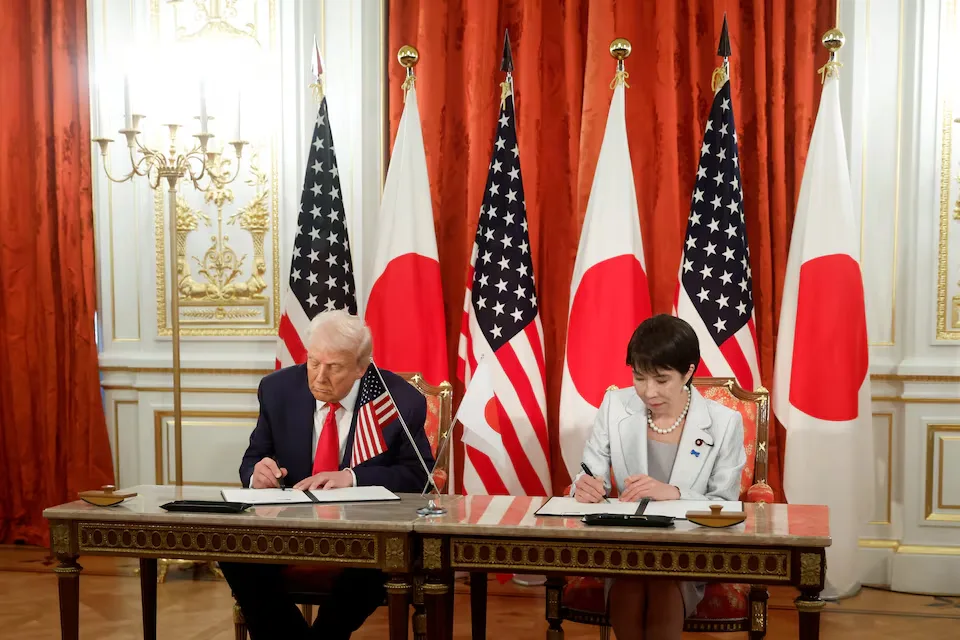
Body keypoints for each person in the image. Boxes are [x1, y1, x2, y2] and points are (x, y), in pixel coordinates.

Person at [220, 310, 435, 640]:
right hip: (290, 527)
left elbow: (418, 476)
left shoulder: (399, 401)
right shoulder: (277, 390)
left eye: (333, 367)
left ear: (361, 367)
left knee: (385, 556)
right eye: (313, 362)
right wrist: (256, 473)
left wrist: (351, 478)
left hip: (363, 532)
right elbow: (252, 458)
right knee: (232, 550)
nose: (319, 376)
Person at [573, 314, 746, 640]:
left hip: (690, 551)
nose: (648, 391)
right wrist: (584, 487)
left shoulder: (724, 423)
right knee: (632, 575)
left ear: (689, 372)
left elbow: (725, 504)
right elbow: (587, 474)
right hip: (624, 547)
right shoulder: (614, 405)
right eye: (640, 378)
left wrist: (675, 492)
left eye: (661, 380)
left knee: (664, 577)